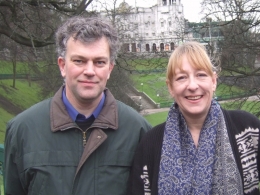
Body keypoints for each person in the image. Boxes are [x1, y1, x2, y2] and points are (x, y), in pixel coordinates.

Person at [4, 16, 151, 195]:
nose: (89, 71)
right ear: (62, 65)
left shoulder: (138, 131)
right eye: (79, 61)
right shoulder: (22, 130)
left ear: (110, 69)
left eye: (99, 62)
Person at [127, 41, 260, 195]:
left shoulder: (246, 129)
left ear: (214, 81)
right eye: (182, 78)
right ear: (170, 87)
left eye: (201, 75)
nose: (192, 85)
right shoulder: (150, 144)